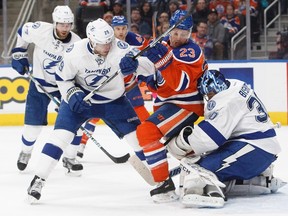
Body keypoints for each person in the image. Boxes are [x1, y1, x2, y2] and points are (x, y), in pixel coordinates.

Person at [26, 18, 155, 203]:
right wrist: (71, 93)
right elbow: (62, 78)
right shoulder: (74, 52)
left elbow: (150, 66)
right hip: (81, 100)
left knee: (138, 139)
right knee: (60, 137)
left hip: (115, 101)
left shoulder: (121, 48)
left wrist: (135, 65)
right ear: (92, 41)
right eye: (103, 44)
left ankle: (161, 179)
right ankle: (38, 179)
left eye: (109, 42)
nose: (107, 47)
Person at [120, 9, 208, 202]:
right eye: (175, 33)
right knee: (181, 147)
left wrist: (159, 59)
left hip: (186, 104)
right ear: (168, 30)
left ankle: (164, 185)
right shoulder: (164, 44)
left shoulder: (191, 51)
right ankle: (209, 169)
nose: (178, 38)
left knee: (147, 132)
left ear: (190, 33)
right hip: (168, 104)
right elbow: (152, 69)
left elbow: (178, 84)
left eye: (184, 34)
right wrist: (133, 67)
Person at [167, 70, 285, 208]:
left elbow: (209, 138)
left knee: (201, 169)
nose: (209, 98)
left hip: (255, 149)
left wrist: (181, 143)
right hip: (259, 148)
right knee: (205, 162)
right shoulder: (236, 84)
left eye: (210, 94)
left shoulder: (225, 101)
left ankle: (207, 192)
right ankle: (258, 179)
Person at [11, 5, 84, 174]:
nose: (64, 28)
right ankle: (26, 152)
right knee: (32, 129)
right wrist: (19, 52)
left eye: (68, 25)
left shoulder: (77, 43)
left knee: (77, 126)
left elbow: (80, 69)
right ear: (54, 23)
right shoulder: (40, 30)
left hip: (64, 88)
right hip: (39, 85)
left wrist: (73, 92)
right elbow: (23, 31)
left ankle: (70, 158)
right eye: (61, 24)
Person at [76, 15, 151, 159]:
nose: (121, 32)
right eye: (117, 29)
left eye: (123, 28)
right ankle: (81, 145)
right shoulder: (103, 43)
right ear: (111, 30)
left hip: (129, 85)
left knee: (140, 111)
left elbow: (148, 54)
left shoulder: (135, 40)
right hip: (110, 87)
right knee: (94, 116)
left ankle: (152, 143)